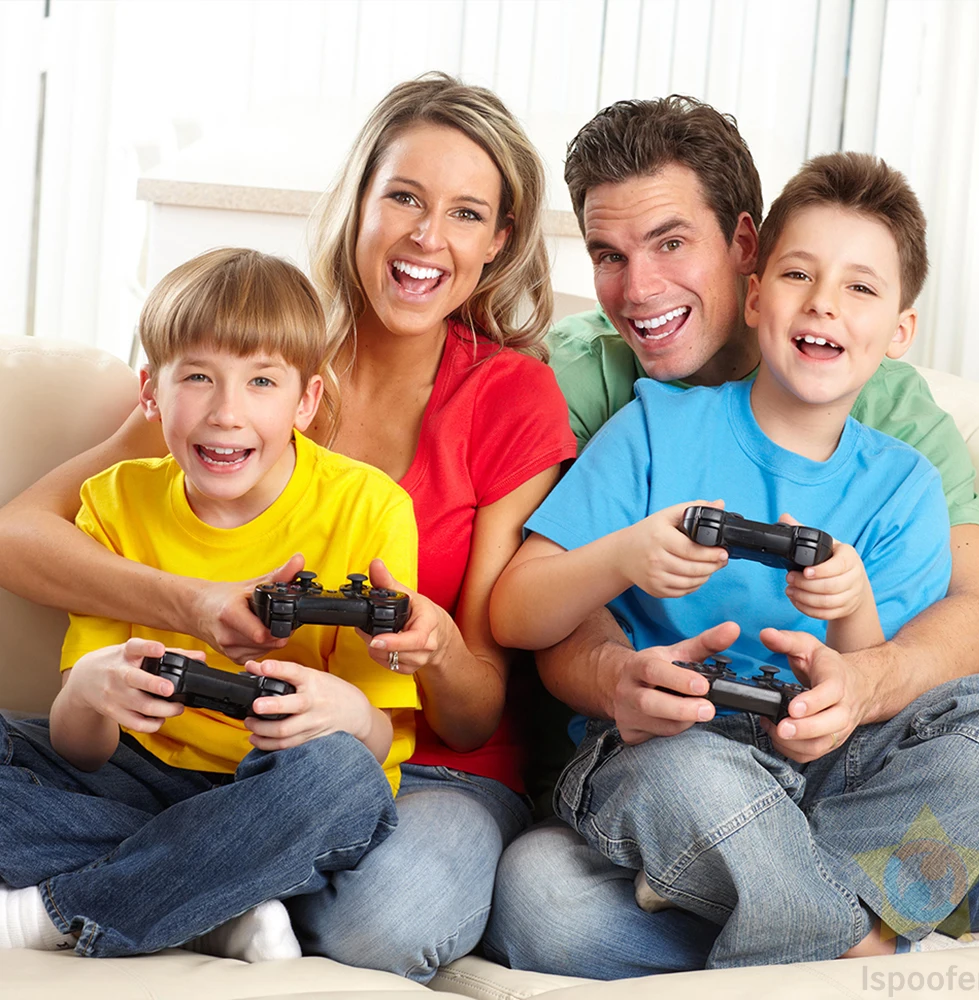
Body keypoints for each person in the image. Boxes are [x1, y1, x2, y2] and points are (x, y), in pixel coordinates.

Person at [0, 74, 576, 979]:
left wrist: (432, 647)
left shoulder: (509, 396)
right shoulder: (248, 357)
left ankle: (112, 896)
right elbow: (19, 538)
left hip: (398, 765)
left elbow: (473, 717)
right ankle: (214, 887)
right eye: (404, 197)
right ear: (359, 202)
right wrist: (193, 604)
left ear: (498, 241)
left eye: (466, 214)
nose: (427, 237)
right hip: (178, 755)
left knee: (386, 921)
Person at [484, 97, 979, 978]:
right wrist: (627, 561)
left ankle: (781, 907)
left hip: (828, 767)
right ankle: (863, 938)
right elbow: (518, 609)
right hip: (677, 748)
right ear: (762, 290)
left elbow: (897, 667)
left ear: (899, 331)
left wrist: (852, 629)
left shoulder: (904, 470)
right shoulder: (646, 422)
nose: (825, 304)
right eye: (610, 255)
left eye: (861, 288)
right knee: (542, 896)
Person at [0, 247, 422, 959]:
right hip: (136, 776)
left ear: (306, 401)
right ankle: (214, 899)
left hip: (281, 785)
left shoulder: (370, 506)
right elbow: (81, 749)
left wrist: (350, 714)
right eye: (198, 377)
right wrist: (91, 691)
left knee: (343, 782)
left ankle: (54, 913)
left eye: (262, 381)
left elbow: (378, 740)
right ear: (151, 392)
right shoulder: (114, 500)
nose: (227, 413)